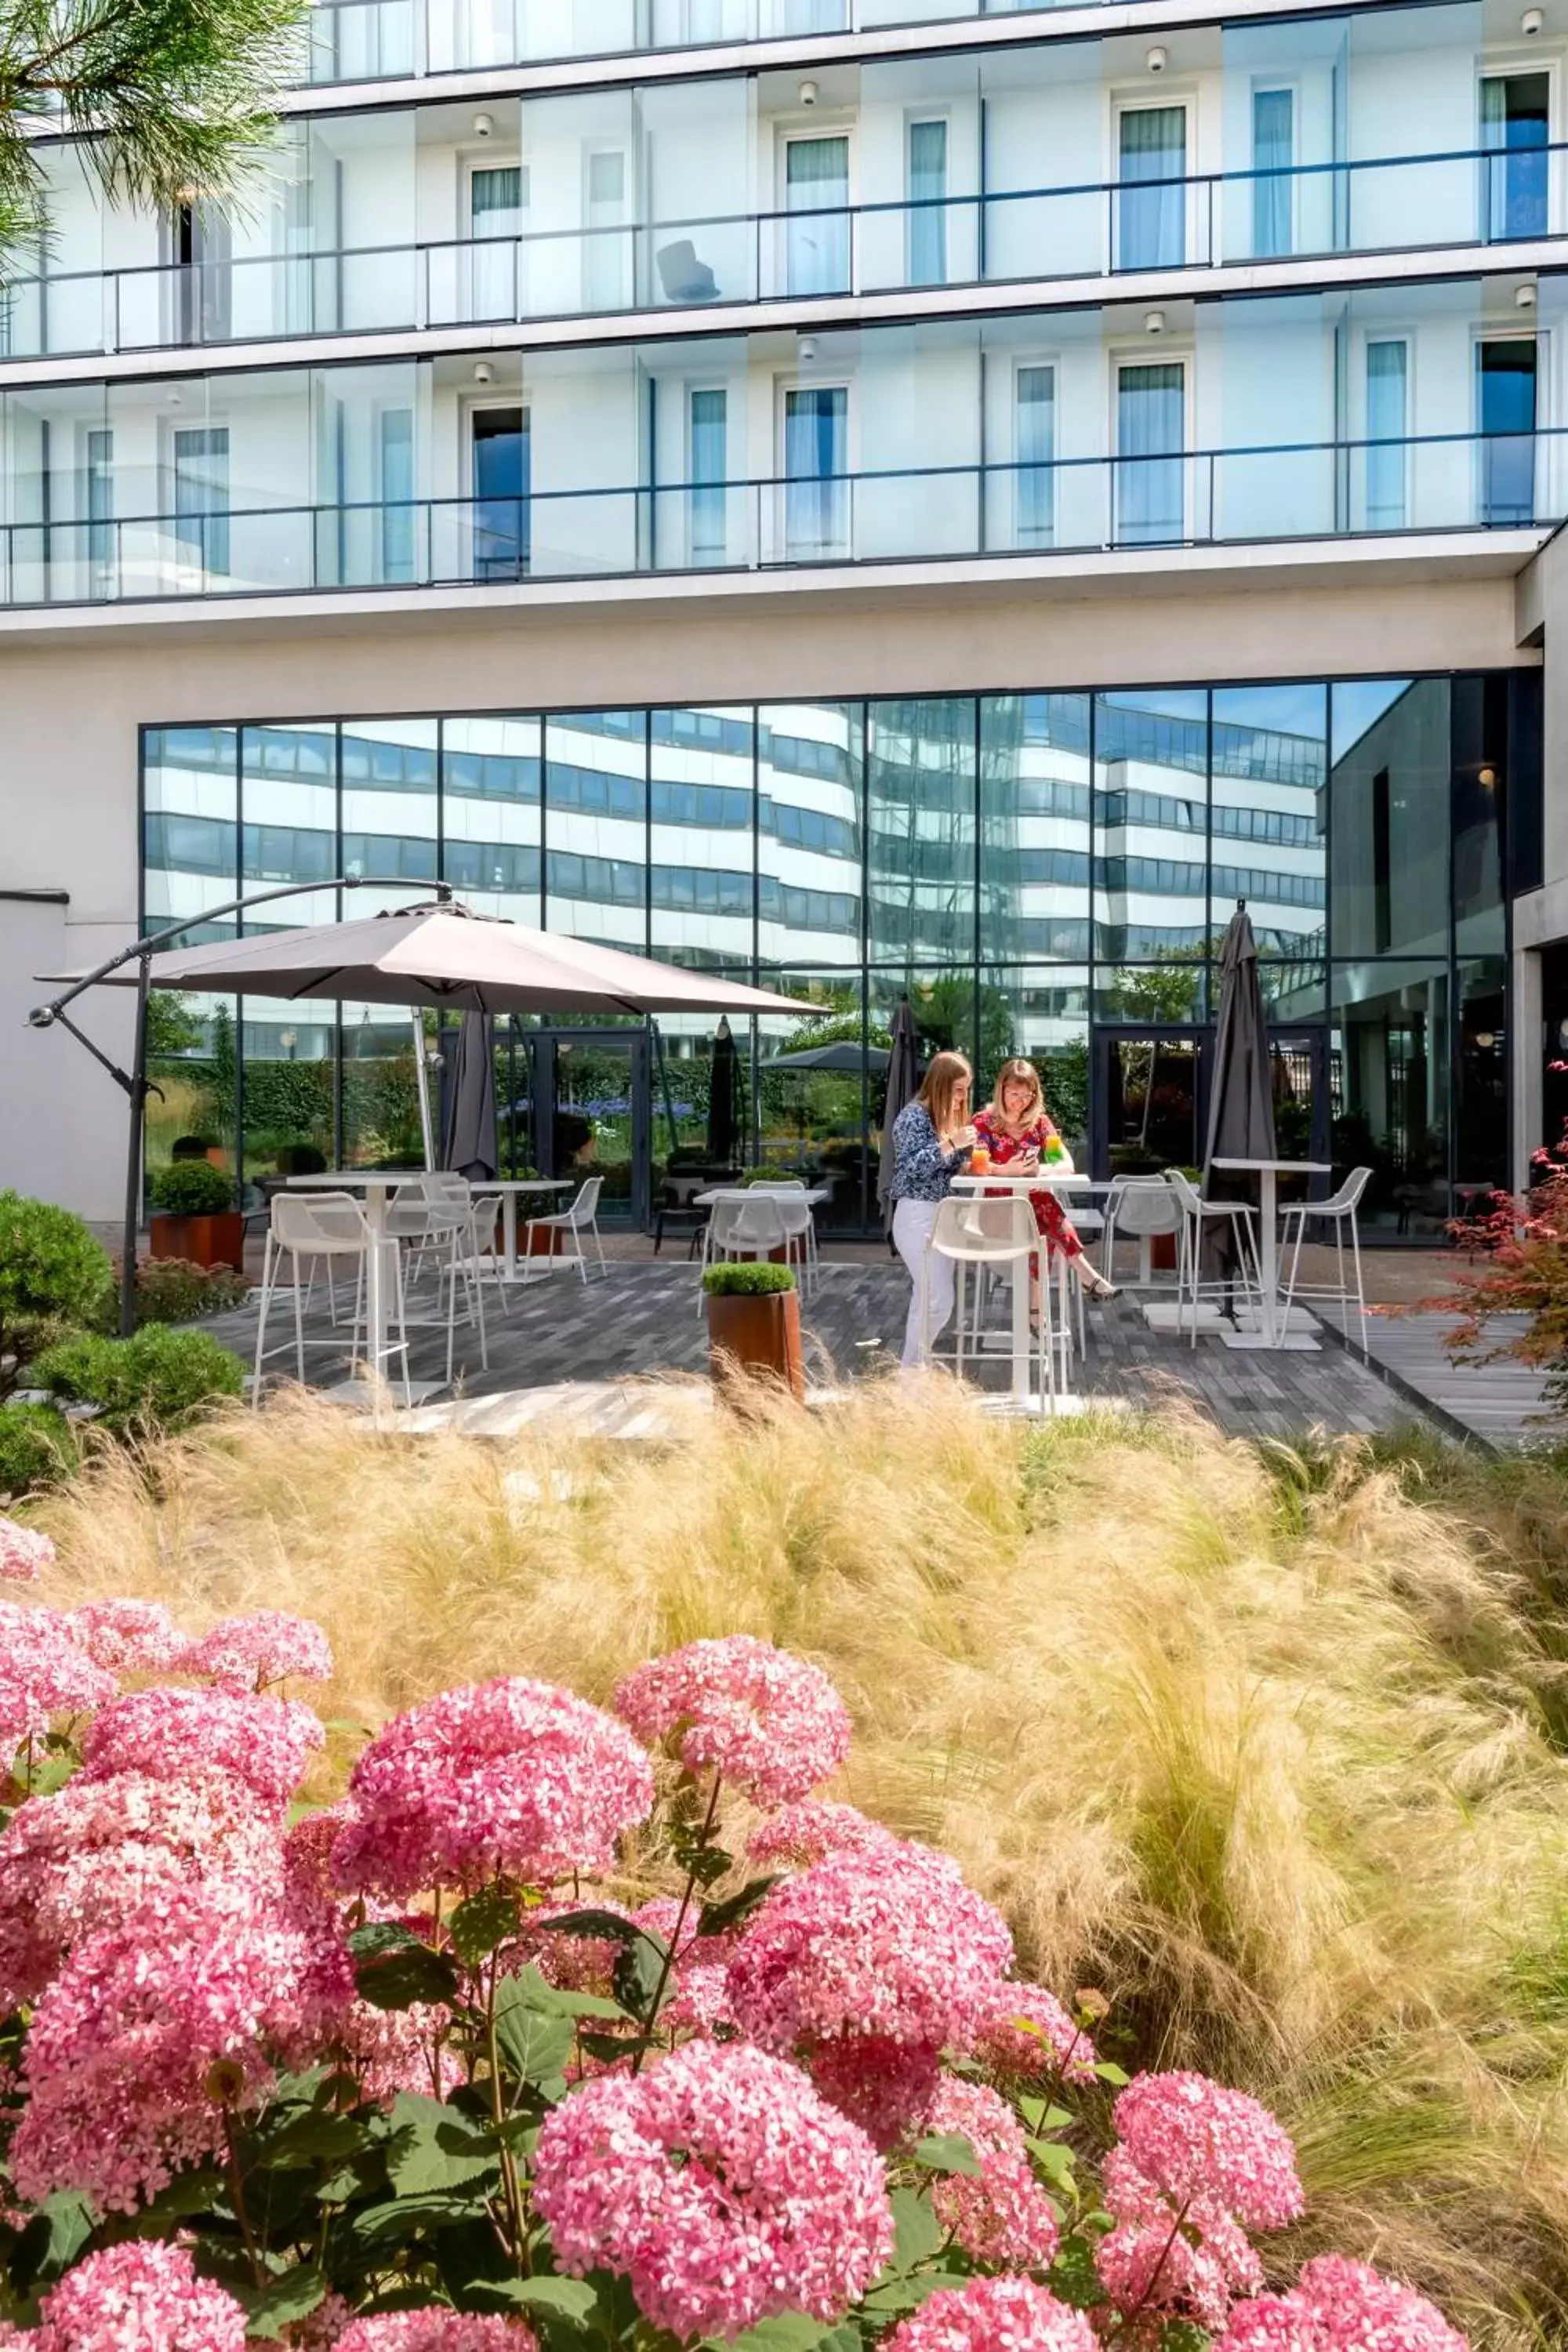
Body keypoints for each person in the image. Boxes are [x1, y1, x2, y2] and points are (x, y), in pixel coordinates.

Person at [974, 1058, 1117, 1304]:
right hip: (997, 1213)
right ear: (1002, 1090)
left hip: (1033, 1209)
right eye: (1014, 1094)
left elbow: (1066, 1165)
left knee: (1042, 1223)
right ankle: (1079, 1279)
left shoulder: (1040, 1124)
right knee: (1043, 1207)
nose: (1020, 1101)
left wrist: (1038, 1169)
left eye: (1027, 1095)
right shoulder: (984, 1122)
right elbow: (979, 1166)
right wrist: (1007, 1171)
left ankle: (1036, 1311)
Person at [887, 1050, 978, 1370]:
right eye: (958, 1089)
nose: (963, 1096)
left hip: (943, 1216)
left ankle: (912, 1377)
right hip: (917, 1217)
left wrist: (968, 1165)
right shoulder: (912, 1118)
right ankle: (912, 1370)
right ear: (939, 1084)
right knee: (939, 1299)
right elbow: (911, 1169)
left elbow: (945, 1170)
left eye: (966, 1088)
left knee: (926, 1299)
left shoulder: (943, 1121)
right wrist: (952, 1143)